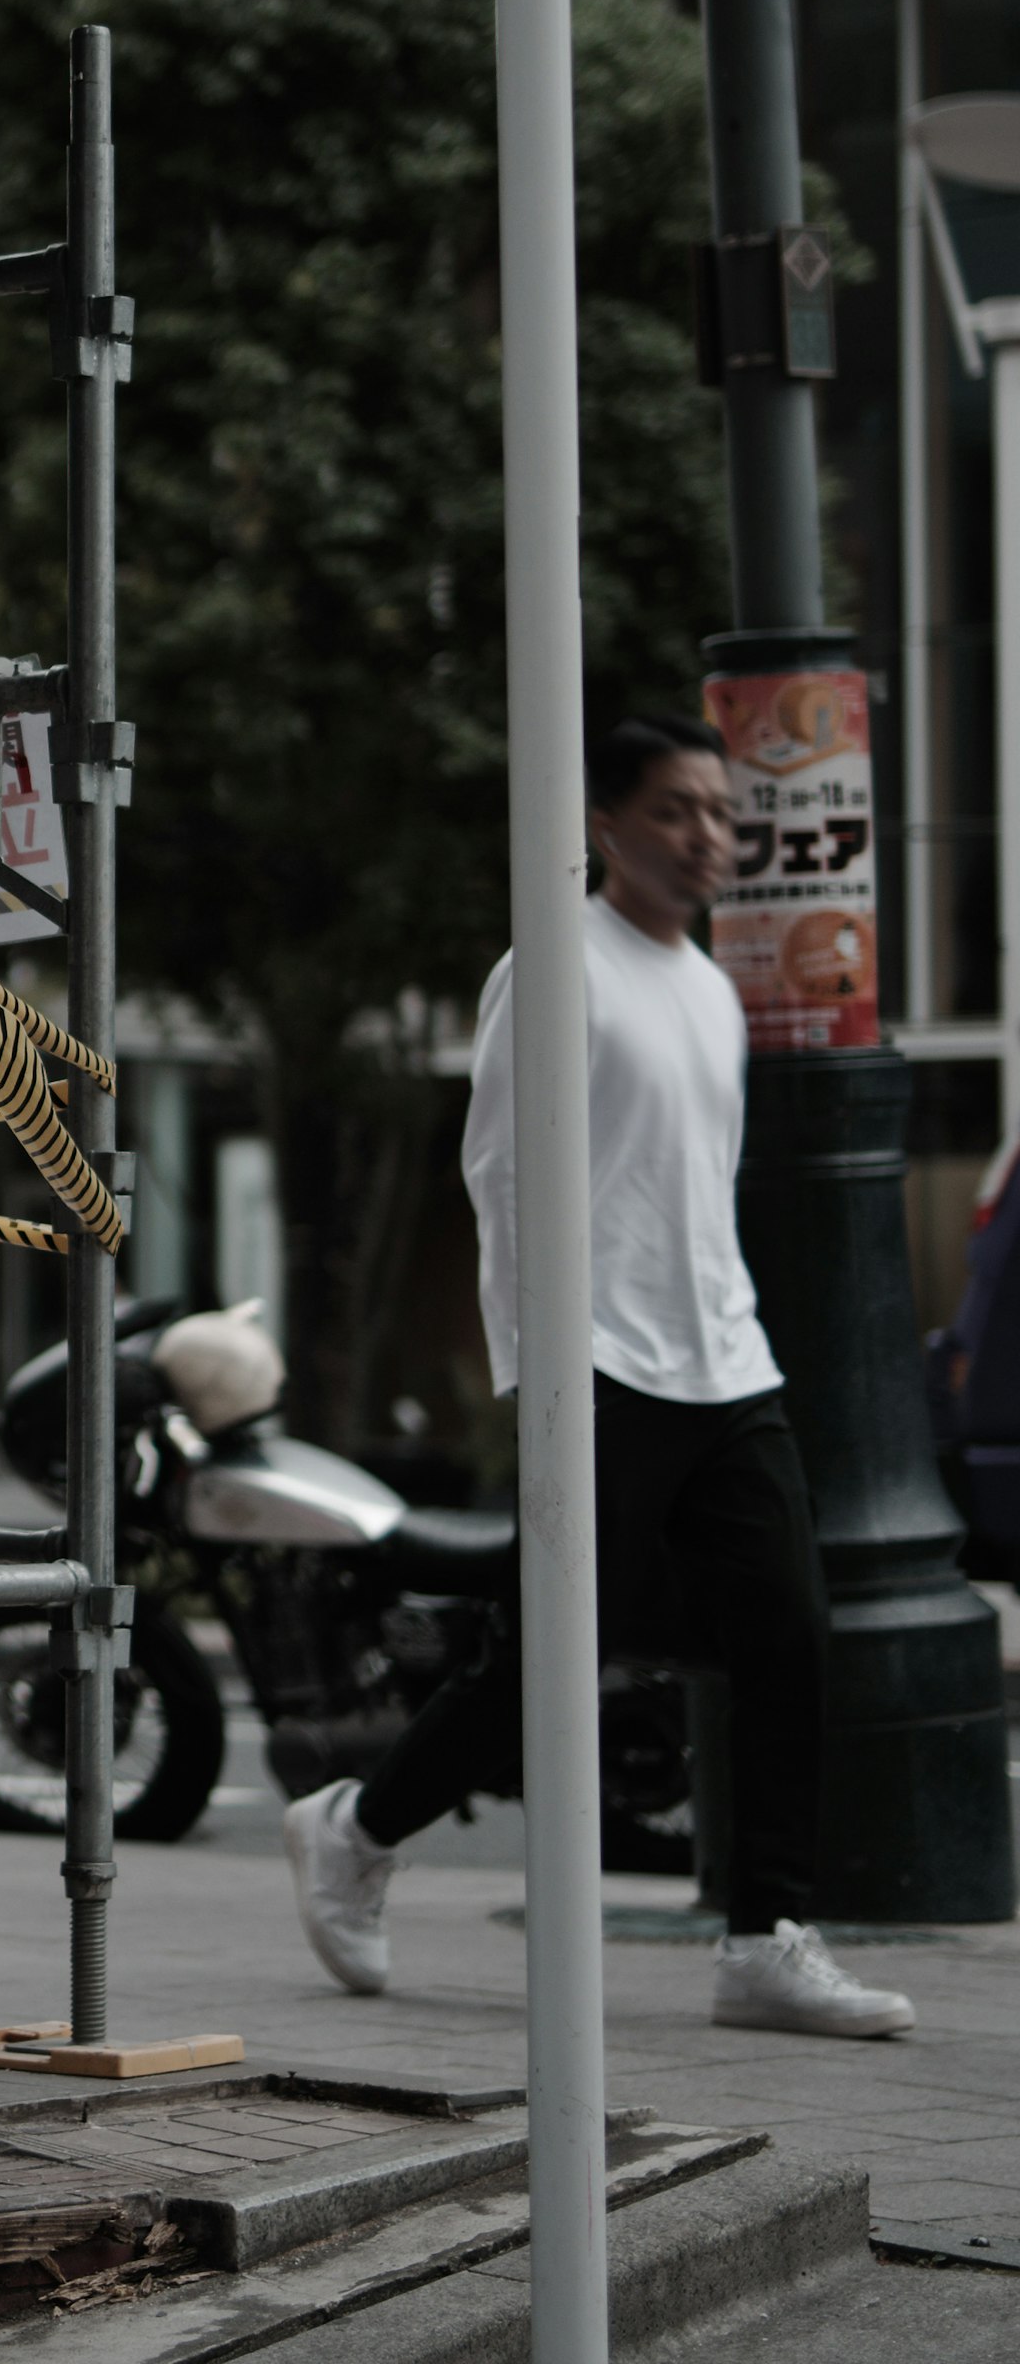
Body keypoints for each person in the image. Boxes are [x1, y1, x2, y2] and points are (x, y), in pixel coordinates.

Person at [281, 715, 913, 2039]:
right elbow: (500, 1172)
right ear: (606, 824)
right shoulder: (554, 963)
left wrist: (729, 1323)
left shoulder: (712, 987)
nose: (708, 836)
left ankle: (765, 1939)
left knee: (788, 1635)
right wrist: (537, 1373)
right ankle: (355, 1826)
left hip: (724, 1361)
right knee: (554, 1662)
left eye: (722, 814)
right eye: (678, 809)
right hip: (603, 1364)